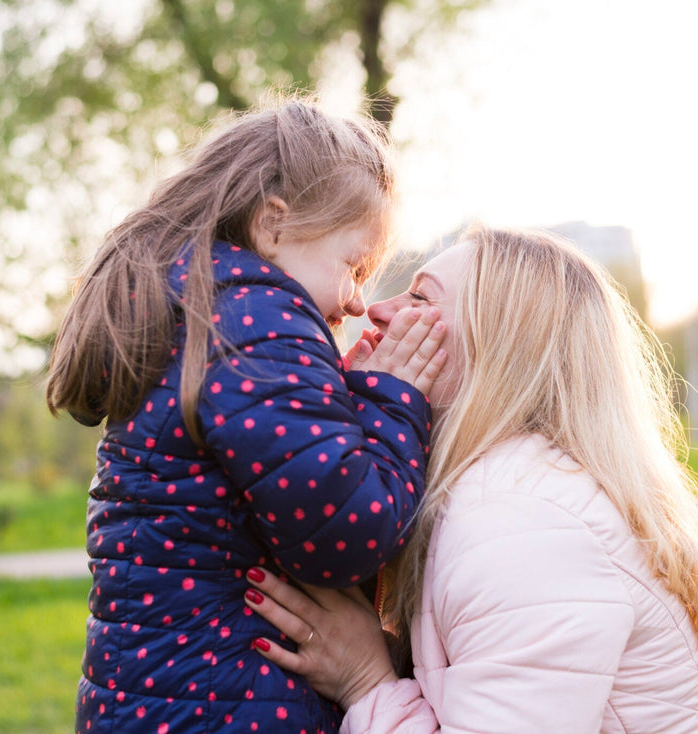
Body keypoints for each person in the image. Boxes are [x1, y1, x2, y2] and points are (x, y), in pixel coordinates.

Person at [243, 225, 698, 733]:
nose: (374, 309)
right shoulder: (519, 492)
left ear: (500, 349)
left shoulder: (519, 520)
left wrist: (366, 680)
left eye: (420, 298)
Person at [45, 98, 449, 734]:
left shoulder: (206, 313)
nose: (356, 301)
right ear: (273, 226)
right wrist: (393, 400)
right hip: (224, 707)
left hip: (160, 700)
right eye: (353, 265)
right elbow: (346, 534)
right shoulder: (257, 320)